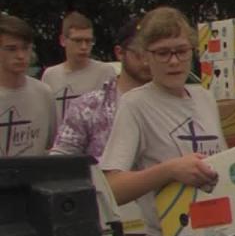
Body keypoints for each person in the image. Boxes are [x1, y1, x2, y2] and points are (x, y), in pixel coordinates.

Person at [100, 7, 225, 236]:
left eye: (181, 51)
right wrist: (169, 170)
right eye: (163, 53)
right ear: (146, 56)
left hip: (219, 234)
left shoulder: (205, 98)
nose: (174, 61)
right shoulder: (135, 104)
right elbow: (112, 189)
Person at [50, 18, 151, 160]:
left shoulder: (173, 104)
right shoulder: (87, 107)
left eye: (157, 53)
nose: (147, 61)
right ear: (120, 53)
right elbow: (60, 161)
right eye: (140, 54)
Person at [41, 11, 117, 127]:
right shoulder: (50, 75)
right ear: (63, 40)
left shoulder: (105, 72)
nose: (84, 47)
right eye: (77, 41)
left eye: (88, 41)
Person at [0, 14, 56, 156]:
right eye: (12, 49)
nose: (20, 55)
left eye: (25, 48)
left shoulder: (44, 93)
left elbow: (50, 144)